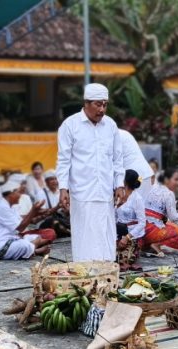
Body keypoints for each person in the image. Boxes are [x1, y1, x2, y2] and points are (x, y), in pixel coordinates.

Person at [56, 83, 124, 262]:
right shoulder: (70, 125)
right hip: (81, 193)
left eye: (105, 104)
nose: (102, 109)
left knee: (105, 235)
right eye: (98, 104)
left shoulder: (111, 125)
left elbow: (118, 158)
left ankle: (107, 276)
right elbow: (64, 160)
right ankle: (86, 277)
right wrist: (63, 188)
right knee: (85, 237)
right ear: (86, 103)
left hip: (105, 193)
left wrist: (120, 184)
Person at [0, 181, 52, 260]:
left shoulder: (11, 206)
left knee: (36, 237)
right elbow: (20, 228)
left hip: (13, 239)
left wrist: (37, 212)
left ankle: (31, 250)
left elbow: (22, 220)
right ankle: (35, 251)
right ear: (11, 193)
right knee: (24, 245)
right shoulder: (1, 207)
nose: (20, 195)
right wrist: (33, 211)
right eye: (18, 193)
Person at [142, 168, 178, 256]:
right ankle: (155, 244)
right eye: (176, 179)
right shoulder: (169, 193)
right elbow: (174, 218)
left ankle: (147, 245)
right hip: (151, 230)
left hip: (141, 229)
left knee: (168, 224)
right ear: (167, 180)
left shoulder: (152, 187)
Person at [116, 170, 146, 272]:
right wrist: (117, 205)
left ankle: (134, 251)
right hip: (118, 231)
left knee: (122, 261)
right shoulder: (119, 195)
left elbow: (142, 223)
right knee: (107, 257)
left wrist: (127, 238)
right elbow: (113, 216)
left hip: (132, 235)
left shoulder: (137, 199)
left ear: (125, 181)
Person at [119, 129, 154, 197]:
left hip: (136, 178)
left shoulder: (111, 135)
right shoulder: (124, 133)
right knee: (141, 204)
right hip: (145, 175)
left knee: (133, 205)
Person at [35, 170, 71, 238]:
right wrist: (57, 207)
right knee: (54, 221)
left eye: (56, 179)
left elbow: (66, 211)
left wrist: (67, 210)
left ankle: (65, 230)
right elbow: (43, 214)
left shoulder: (61, 193)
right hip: (45, 224)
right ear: (46, 182)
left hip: (61, 220)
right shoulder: (40, 194)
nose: (55, 181)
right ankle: (68, 232)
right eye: (52, 179)